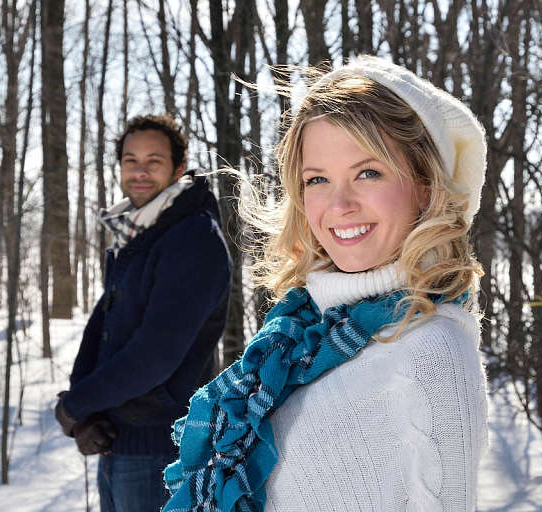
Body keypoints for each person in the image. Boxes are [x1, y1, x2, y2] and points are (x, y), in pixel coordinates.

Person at [163, 56, 489, 511]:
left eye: (368, 172)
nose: (339, 204)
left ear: (425, 186)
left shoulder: (429, 351)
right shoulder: (304, 335)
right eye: (317, 179)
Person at [54, 114, 232, 512]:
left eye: (154, 160)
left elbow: (155, 356)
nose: (140, 171)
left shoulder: (192, 239)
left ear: (178, 168)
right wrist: (84, 413)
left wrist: (75, 406)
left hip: (160, 451)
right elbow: (102, 324)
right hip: (116, 441)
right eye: (131, 160)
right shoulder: (136, 234)